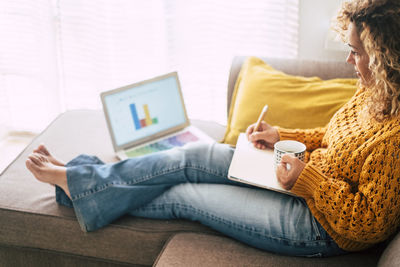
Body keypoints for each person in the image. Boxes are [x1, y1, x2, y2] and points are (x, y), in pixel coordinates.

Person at [26, 0, 400, 257]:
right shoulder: (373, 91)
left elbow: (367, 224)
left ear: (386, 57)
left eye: (357, 51)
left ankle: (76, 184)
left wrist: (309, 181)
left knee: (186, 195)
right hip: (298, 180)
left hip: (317, 226)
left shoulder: (395, 139)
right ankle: (81, 181)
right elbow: (334, 138)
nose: (349, 59)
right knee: (195, 155)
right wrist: (283, 136)